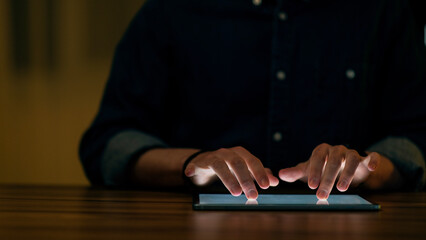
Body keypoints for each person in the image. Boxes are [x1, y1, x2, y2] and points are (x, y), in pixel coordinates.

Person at [80, 0, 426, 200]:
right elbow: (110, 142)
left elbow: (416, 136)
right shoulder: (171, 10)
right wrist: (193, 165)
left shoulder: (382, 10)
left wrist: (369, 171)